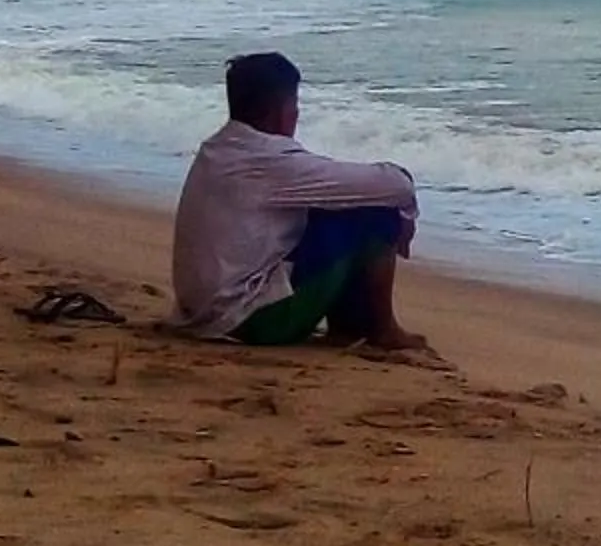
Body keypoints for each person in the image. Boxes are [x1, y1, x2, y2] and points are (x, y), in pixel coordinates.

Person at [171, 52, 428, 351]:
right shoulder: (269, 160)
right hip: (246, 321)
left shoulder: (218, 148)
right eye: (294, 105)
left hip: (201, 311)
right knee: (376, 213)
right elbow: (394, 185)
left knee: (332, 206)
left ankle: (350, 326)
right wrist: (405, 215)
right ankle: (383, 329)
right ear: (280, 113)